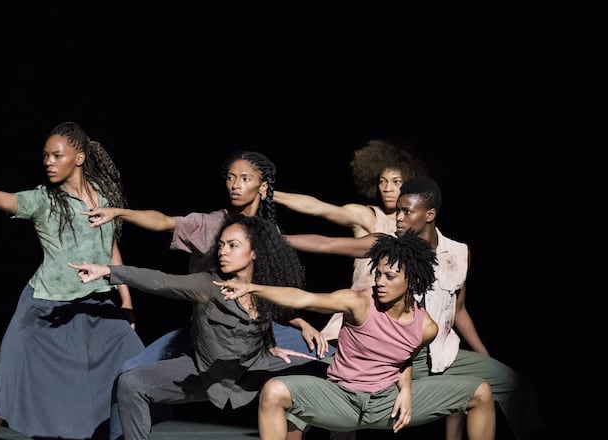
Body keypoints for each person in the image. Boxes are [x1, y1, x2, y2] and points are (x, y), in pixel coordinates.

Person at [0, 121, 144, 440]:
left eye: (56, 155)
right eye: (45, 156)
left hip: (94, 303)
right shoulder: (42, 200)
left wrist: (126, 299)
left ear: (79, 157)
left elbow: (110, 247)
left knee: (132, 363)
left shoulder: (103, 197)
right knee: (9, 369)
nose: (48, 162)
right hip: (43, 303)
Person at [86, 150, 332, 439]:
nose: (235, 185)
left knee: (328, 359)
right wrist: (118, 216)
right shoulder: (209, 226)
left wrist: (299, 324)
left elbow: (274, 296)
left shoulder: (268, 235)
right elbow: (163, 232)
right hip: (206, 332)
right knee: (129, 376)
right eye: (230, 178)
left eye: (244, 178)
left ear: (262, 186)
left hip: (257, 338)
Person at [282, 177, 544, 440]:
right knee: (317, 397)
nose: (399, 217)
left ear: (429, 214)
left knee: (515, 386)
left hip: (443, 351)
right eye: (398, 210)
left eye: (407, 211)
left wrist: (484, 355)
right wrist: (278, 239)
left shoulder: (459, 252)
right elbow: (327, 244)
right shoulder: (388, 245)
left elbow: (459, 310)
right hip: (397, 353)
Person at [214, 231, 496, 440]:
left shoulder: (426, 327)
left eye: (390, 276)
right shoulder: (359, 302)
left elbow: (403, 360)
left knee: (480, 391)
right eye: (379, 274)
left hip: (387, 403)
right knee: (274, 390)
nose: (380, 282)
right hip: (342, 398)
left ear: (412, 281)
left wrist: (406, 391)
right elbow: (304, 298)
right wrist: (252, 287)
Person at [274, 139, 428, 340]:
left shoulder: (418, 229)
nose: (387, 188)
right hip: (359, 314)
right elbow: (318, 208)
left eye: (396, 182)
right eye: (382, 181)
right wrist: (270, 194)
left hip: (398, 323)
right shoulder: (368, 216)